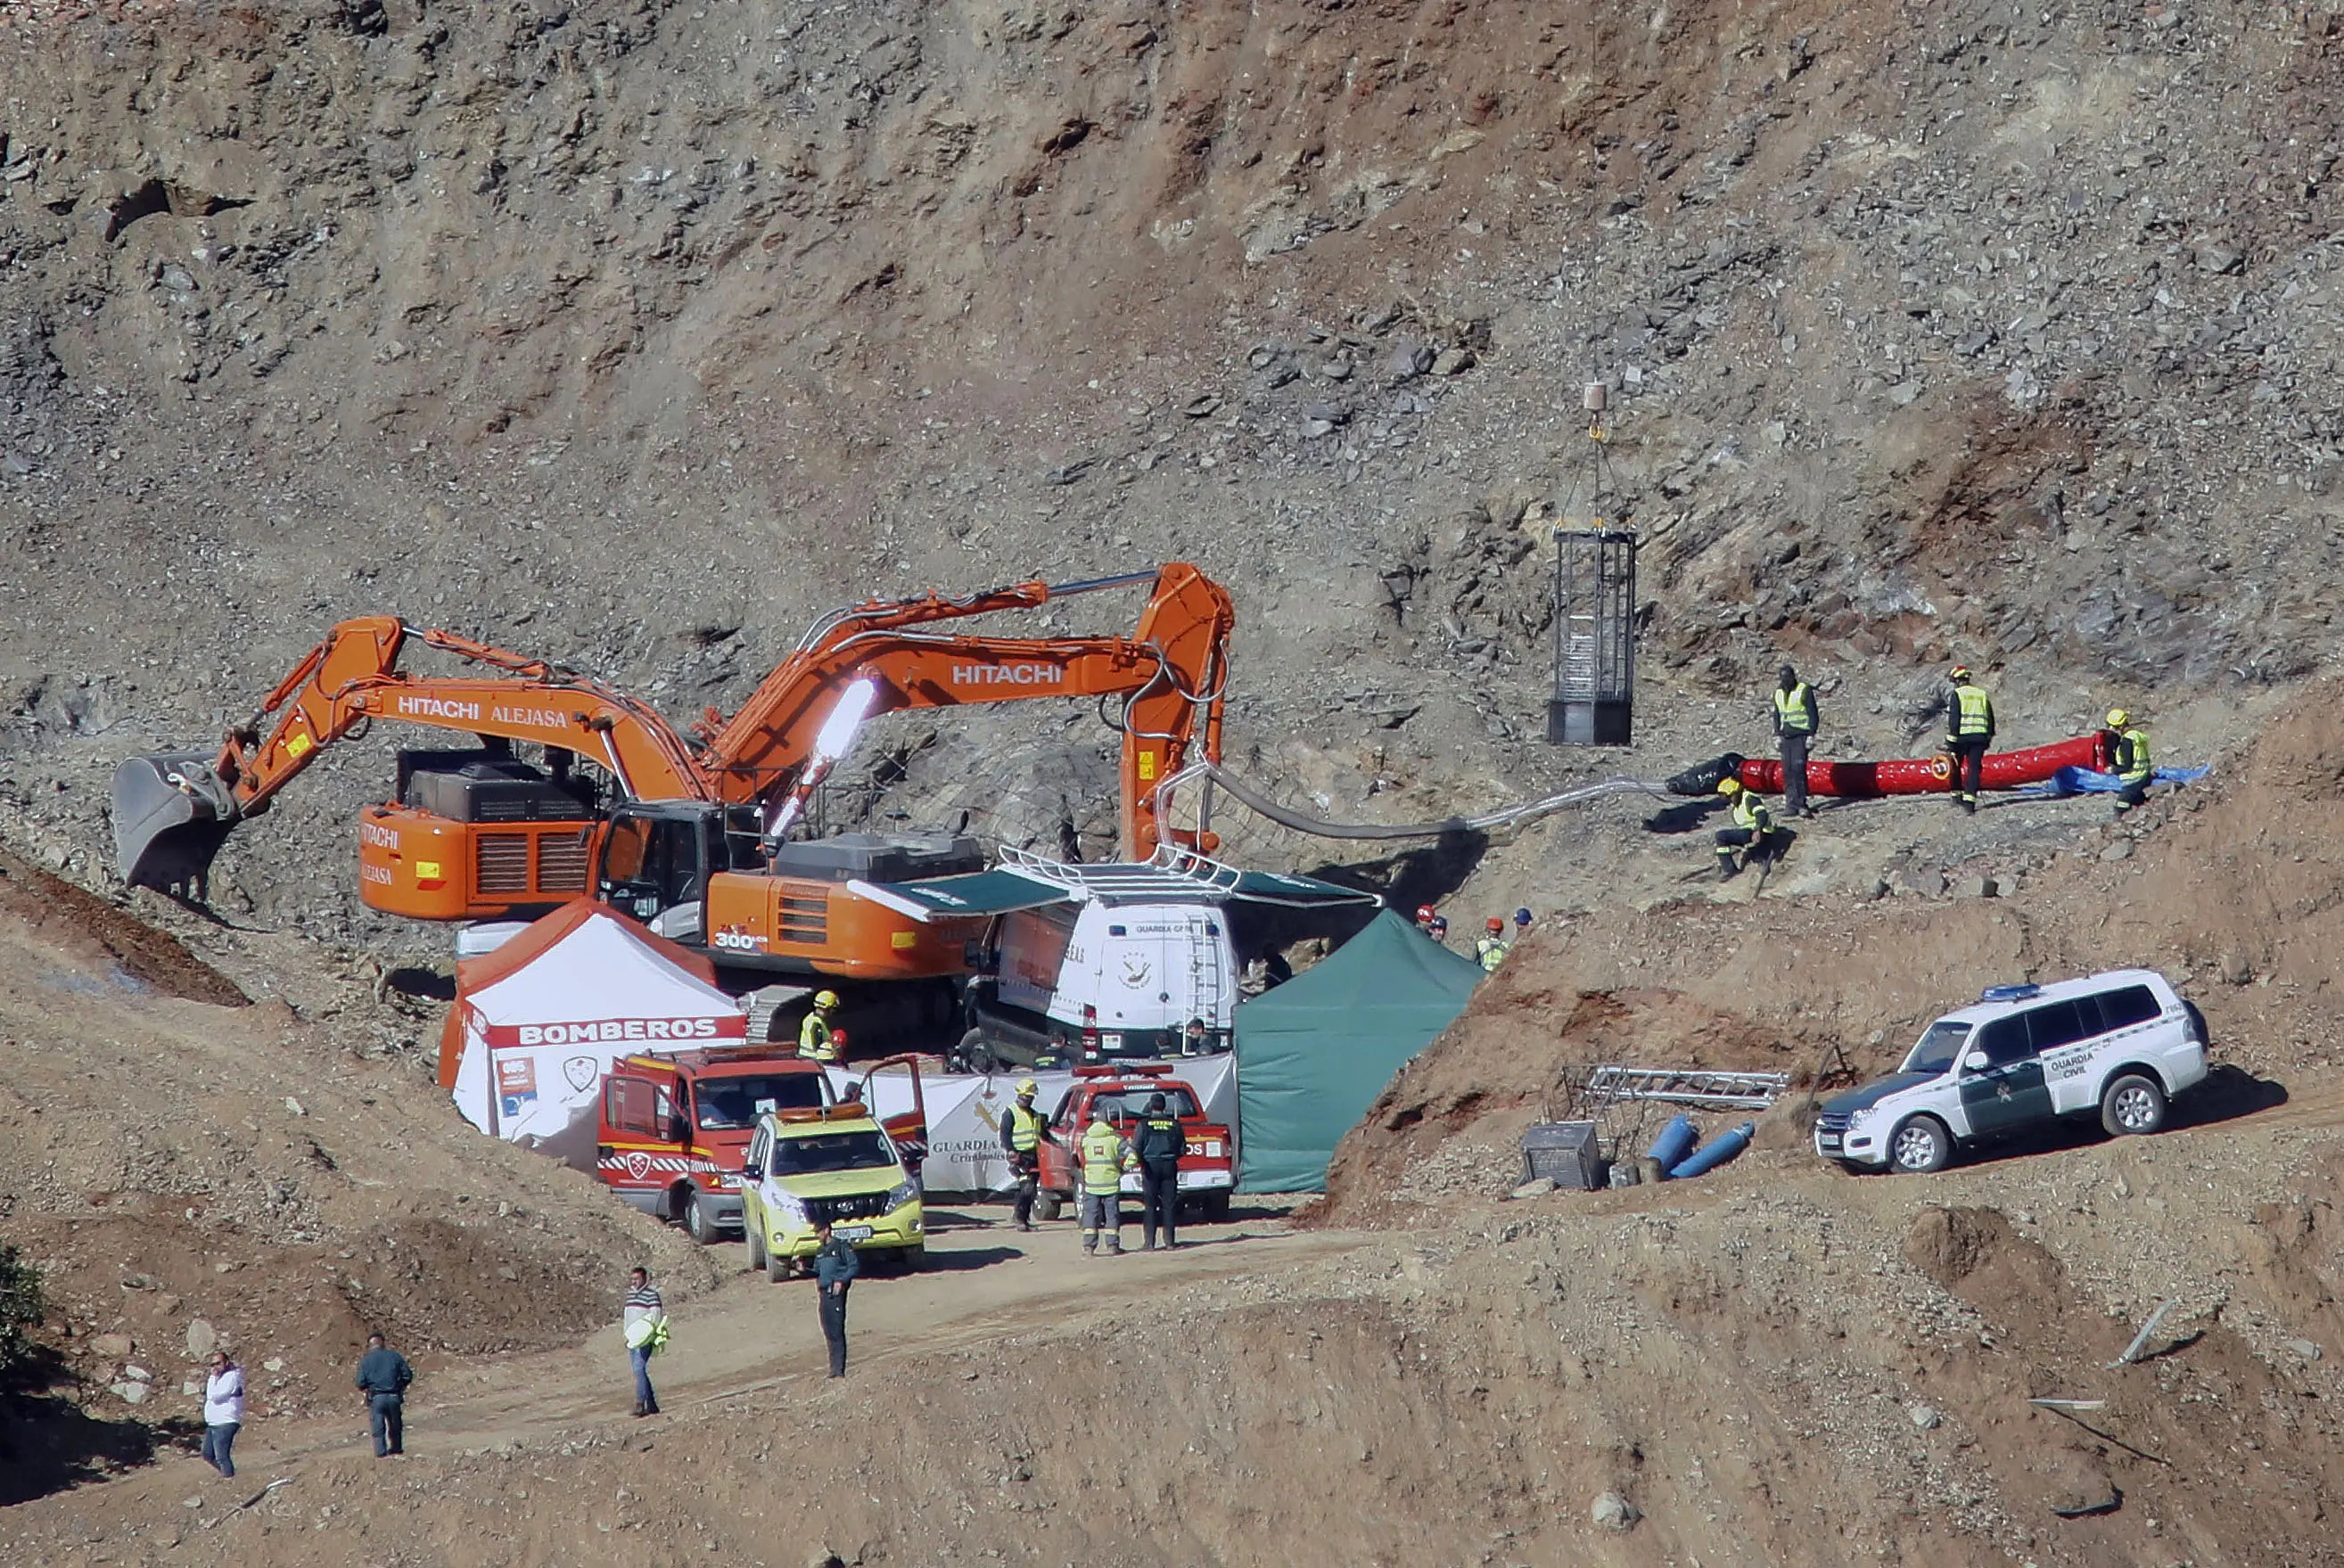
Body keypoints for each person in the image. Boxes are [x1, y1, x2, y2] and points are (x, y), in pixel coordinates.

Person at [1078, 1104, 1135, 1257]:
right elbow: (1132, 1156)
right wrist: (1124, 1168)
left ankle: (1089, 1247)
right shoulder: (1116, 1139)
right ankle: (1112, 1246)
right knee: (1112, 1215)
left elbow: (1081, 1159)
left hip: (1091, 1185)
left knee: (1090, 1215)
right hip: (1111, 1185)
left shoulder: (1086, 1139)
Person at [998, 1078, 1055, 1231]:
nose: (1026, 1100)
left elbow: (1043, 1134)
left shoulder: (1035, 1115)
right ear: (1019, 1096)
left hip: (1034, 1156)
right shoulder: (1010, 1113)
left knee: (1031, 1190)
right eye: (1024, 1097)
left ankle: (1022, 1217)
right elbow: (1004, 1134)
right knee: (1027, 1187)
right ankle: (1020, 1219)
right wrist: (1011, 1151)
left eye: (1029, 1098)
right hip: (1019, 1156)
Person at [1131, 1091, 1185, 1252]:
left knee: (1150, 1205)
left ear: (1151, 1106)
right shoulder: (1175, 1124)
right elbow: (1182, 1148)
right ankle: (1169, 1242)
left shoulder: (1143, 1125)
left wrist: (1140, 1161)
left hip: (1150, 1166)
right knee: (1169, 1205)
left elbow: (1137, 1147)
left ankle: (1149, 1243)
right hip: (1169, 1165)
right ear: (1164, 1106)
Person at [1939, 665, 1995, 814]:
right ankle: (1970, 804)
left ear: (1957, 681)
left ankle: (1956, 796)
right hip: (1979, 737)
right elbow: (1990, 718)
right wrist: (1988, 737)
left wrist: (1950, 743)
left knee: (1955, 765)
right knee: (1974, 769)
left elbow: (1954, 721)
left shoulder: (1957, 694)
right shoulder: (1981, 694)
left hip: (1962, 738)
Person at [811, 1218, 859, 1378]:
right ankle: (832, 1369)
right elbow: (816, 1271)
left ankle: (839, 1370)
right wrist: (802, 1268)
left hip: (836, 1292)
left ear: (827, 1230)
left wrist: (842, 1280)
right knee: (828, 1330)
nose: (817, 1235)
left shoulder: (841, 1246)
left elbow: (854, 1266)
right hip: (824, 1293)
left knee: (837, 1331)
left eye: (818, 1232)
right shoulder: (820, 1251)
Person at [353, 1330, 414, 1457]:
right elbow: (407, 1375)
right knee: (395, 1425)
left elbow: (360, 1383)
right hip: (394, 1396)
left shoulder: (366, 1361)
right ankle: (396, 1449)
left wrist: (369, 1387)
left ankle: (381, 1454)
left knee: (378, 1427)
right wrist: (399, 1387)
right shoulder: (394, 1356)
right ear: (383, 1343)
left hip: (377, 1398)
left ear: (370, 1345)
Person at [1772, 664, 1820, 818]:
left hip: (1801, 736)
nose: (1785, 680)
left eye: (1788, 677)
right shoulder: (1778, 693)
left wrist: (1811, 734)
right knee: (1787, 771)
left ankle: (1801, 804)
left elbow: (1813, 713)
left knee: (1798, 769)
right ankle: (1791, 805)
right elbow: (1777, 715)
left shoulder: (1803, 690)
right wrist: (1777, 734)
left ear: (1793, 676)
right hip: (1786, 737)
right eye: (1783, 677)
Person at [622, 1267, 667, 1417]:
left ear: (644, 1278)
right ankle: (652, 1404)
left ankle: (640, 1404)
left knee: (638, 1369)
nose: (634, 1282)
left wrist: (647, 1336)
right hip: (632, 1339)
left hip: (644, 1340)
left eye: (637, 1279)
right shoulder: (630, 1295)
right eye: (632, 1279)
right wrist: (627, 1335)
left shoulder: (652, 1295)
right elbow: (628, 1316)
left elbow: (656, 1316)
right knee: (639, 1371)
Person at [1714, 778, 1775, 881]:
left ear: (1736, 793)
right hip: (1749, 835)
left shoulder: (1750, 799)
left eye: (1730, 797)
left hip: (1763, 833)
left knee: (1721, 835)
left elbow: (1761, 814)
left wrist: (1758, 829)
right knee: (1722, 838)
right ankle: (1729, 868)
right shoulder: (1737, 807)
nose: (1730, 801)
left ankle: (1759, 858)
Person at [202, 1349, 243, 1479]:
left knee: (221, 1456)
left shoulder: (232, 1377)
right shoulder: (216, 1379)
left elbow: (215, 1395)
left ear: (226, 1362)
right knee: (208, 1454)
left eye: (218, 1363)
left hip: (225, 1422)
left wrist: (212, 1377)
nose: (215, 1367)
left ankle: (229, 1478)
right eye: (212, 1364)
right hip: (214, 1423)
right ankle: (227, 1474)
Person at [2107, 708, 2153, 817]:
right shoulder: (2136, 737)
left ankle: (2122, 827)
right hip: (2144, 775)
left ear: (2120, 726)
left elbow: (2126, 766)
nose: (2112, 730)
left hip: (2133, 779)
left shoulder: (2127, 741)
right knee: (2139, 801)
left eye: (2113, 727)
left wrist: (2112, 770)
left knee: (2121, 806)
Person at [798, 991, 842, 1063]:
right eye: (831, 1009)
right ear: (826, 1007)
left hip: (808, 1056)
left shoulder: (812, 1018)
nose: (832, 1012)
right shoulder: (815, 1023)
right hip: (814, 1058)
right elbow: (817, 1044)